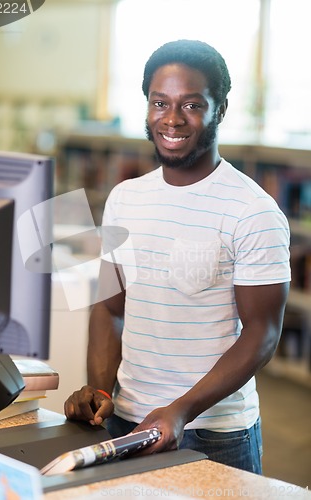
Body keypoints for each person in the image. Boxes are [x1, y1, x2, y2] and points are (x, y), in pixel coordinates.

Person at [64, 39, 291, 474]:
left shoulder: (253, 209)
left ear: (220, 109)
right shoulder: (124, 198)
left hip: (213, 433)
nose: (171, 119)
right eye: (159, 102)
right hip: (126, 421)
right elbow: (110, 307)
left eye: (191, 105)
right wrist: (99, 389)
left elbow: (262, 333)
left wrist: (182, 409)